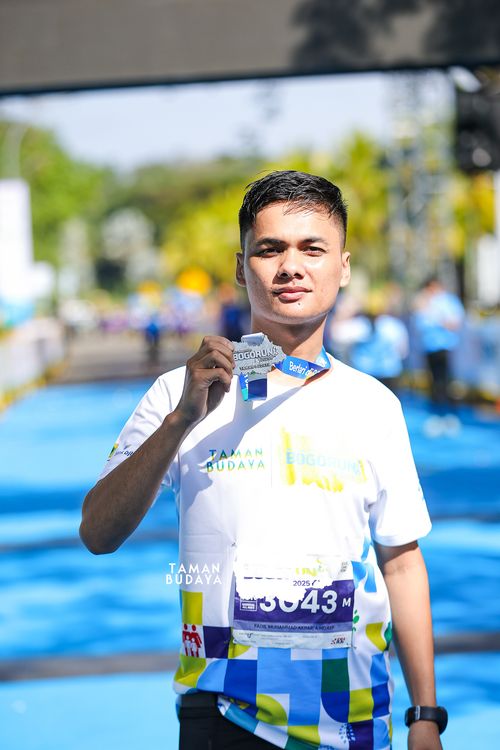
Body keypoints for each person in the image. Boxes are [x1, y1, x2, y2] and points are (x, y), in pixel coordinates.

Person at [80, 171, 445, 750]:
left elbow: (401, 563)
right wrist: (181, 421)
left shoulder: (374, 404)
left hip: (353, 719)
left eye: (312, 249)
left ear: (343, 267)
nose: (290, 267)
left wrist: (425, 715)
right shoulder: (179, 393)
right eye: (269, 249)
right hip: (225, 715)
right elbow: (98, 533)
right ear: (240, 266)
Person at [413, 276, 465, 436]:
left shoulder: (447, 301)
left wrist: (437, 319)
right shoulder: (424, 302)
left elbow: (454, 323)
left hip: (446, 347)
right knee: (434, 383)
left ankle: (451, 416)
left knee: (448, 382)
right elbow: (420, 324)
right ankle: (436, 416)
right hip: (430, 347)